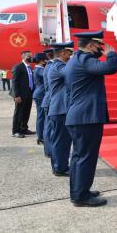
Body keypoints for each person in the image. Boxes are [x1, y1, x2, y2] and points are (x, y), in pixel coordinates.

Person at [65, 31, 117, 207]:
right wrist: (111, 54)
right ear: (90, 46)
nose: (100, 49)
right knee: (86, 157)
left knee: (79, 157)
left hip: (79, 117)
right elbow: (110, 68)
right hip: (86, 118)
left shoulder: (75, 60)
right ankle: (81, 197)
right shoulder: (84, 60)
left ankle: (80, 191)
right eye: (99, 46)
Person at [48, 42, 74, 177]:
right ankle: (60, 168)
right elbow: (71, 72)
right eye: (69, 53)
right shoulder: (59, 66)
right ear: (63, 53)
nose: (71, 56)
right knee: (61, 141)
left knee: (61, 140)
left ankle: (60, 166)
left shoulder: (57, 65)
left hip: (59, 108)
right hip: (60, 109)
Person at [10, 51, 35, 138]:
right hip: (20, 95)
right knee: (18, 112)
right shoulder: (18, 67)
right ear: (24, 57)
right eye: (29, 56)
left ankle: (24, 128)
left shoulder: (29, 68)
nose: (31, 57)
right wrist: (16, 95)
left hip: (29, 93)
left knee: (26, 112)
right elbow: (14, 82)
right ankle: (15, 131)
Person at [41, 48, 55, 158]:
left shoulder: (48, 66)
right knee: (50, 128)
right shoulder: (51, 67)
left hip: (48, 99)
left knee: (48, 127)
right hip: (51, 100)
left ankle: (48, 150)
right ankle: (50, 151)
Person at [33, 53, 47, 145]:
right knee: (41, 116)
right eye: (45, 60)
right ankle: (40, 137)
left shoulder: (39, 69)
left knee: (41, 116)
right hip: (41, 94)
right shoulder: (39, 70)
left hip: (40, 94)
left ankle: (41, 136)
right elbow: (48, 75)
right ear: (42, 61)